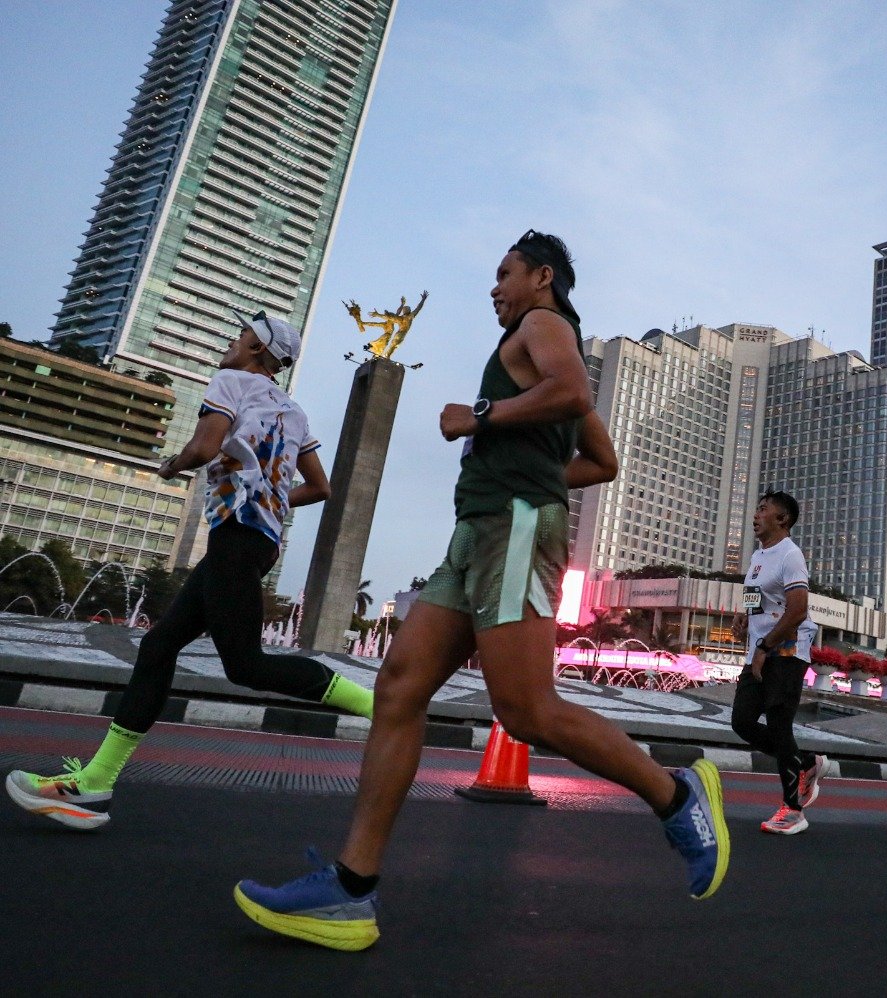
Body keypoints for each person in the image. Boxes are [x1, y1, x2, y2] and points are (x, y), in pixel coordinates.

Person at [234, 231, 728, 952]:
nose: (494, 288)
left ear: (542, 277)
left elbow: (575, 393)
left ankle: (674, 793)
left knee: (525, 711)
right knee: (401, 687)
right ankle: (349, 891)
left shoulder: (544, 325)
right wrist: (522, 468)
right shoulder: (530, 354)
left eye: (504, 274)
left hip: (514, 529)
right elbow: (602, 459)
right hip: (480, 531)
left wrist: (482, 421)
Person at [5, 311, 374, 830]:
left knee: (246, 666)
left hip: (237, 544)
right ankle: (94, 783)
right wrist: (269, 500)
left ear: (254, 351)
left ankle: (383, 707)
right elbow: (319, 488)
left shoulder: (231, 381)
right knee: (158, 648)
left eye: (240, 335)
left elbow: (204, 446)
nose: (231, 340)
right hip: (255, 542)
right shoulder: (294, 412)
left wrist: (172, 464)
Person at [728, 491, 828, 836]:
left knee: (779, 725)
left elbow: (797, 610)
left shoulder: (790, 555)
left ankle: (793, 811)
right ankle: (805, 763)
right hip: (760, 651)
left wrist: (765, 647)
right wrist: (744, 620)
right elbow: (762, 601)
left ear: (782, 519)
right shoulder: (759, 556)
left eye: (763, 509)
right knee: (741, 721)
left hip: (785, 654)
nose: (756, 514)